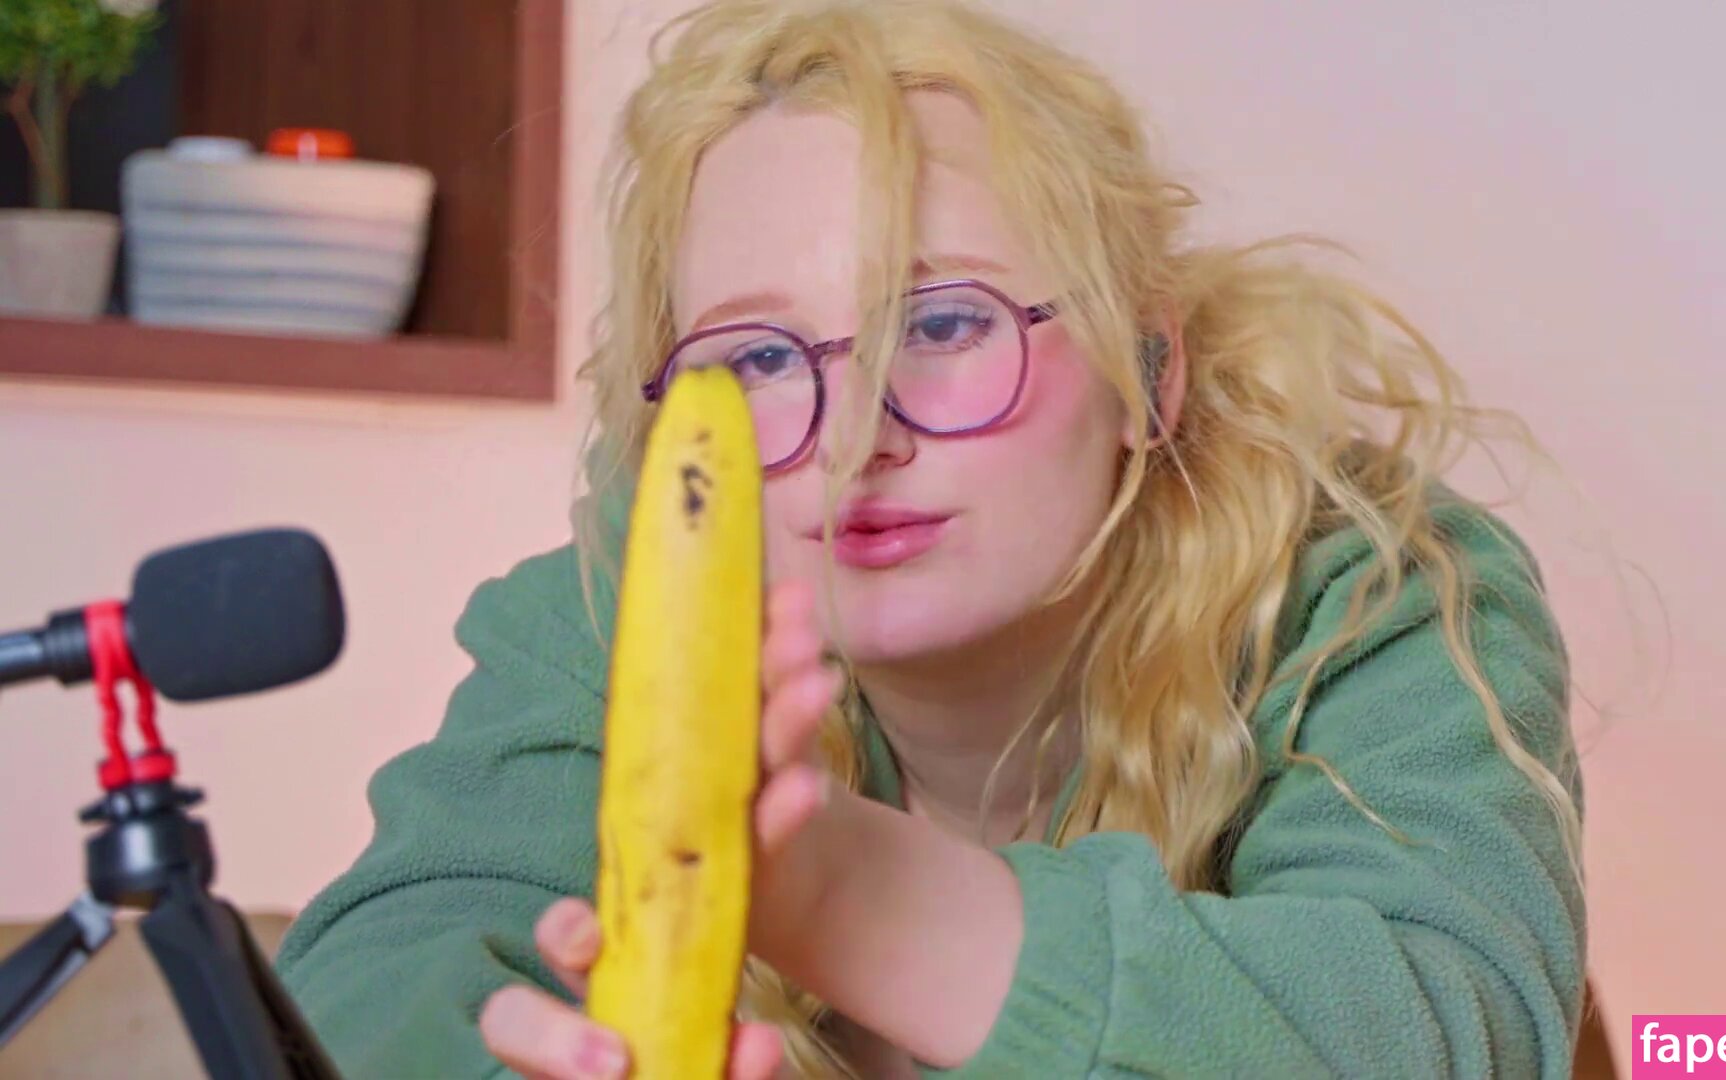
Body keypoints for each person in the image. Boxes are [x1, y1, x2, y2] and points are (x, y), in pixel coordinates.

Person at [274, 1, 1588, 1076]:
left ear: (1151, 371)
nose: (854, 441)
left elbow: (1449, 1026)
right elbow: (376, 980)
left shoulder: (1372, 589)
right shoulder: (627, 596)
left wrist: (843, 895)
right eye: (757, 358)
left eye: (948, 323)